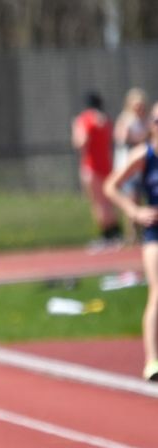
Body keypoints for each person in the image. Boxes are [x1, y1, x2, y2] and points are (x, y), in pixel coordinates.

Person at [105, 102, 158, 381]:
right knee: (157, 293)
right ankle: (152, 361)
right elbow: (110, 186)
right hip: (155, 235)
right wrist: (135, 211)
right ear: (152, 125)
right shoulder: (144, 155)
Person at [72, 91, 121, 249]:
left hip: (91, 166)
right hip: (106, 164)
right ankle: (115, 233)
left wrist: (75, 129)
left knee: (98, 203)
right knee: (107, 201)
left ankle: (107, 235)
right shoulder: (105, 119)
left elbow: (81, 142)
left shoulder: (84, 119)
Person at [113, 88, 150, 245]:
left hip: (144, 165)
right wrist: (137, 138)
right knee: (131, 198)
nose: (139, 108)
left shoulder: (147, 120)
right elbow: (121, 138)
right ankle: (132, 234)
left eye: (141, 105)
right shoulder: (126, 120)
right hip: (128, 165)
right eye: (136, 105)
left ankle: (142, 232)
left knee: (141, 198)